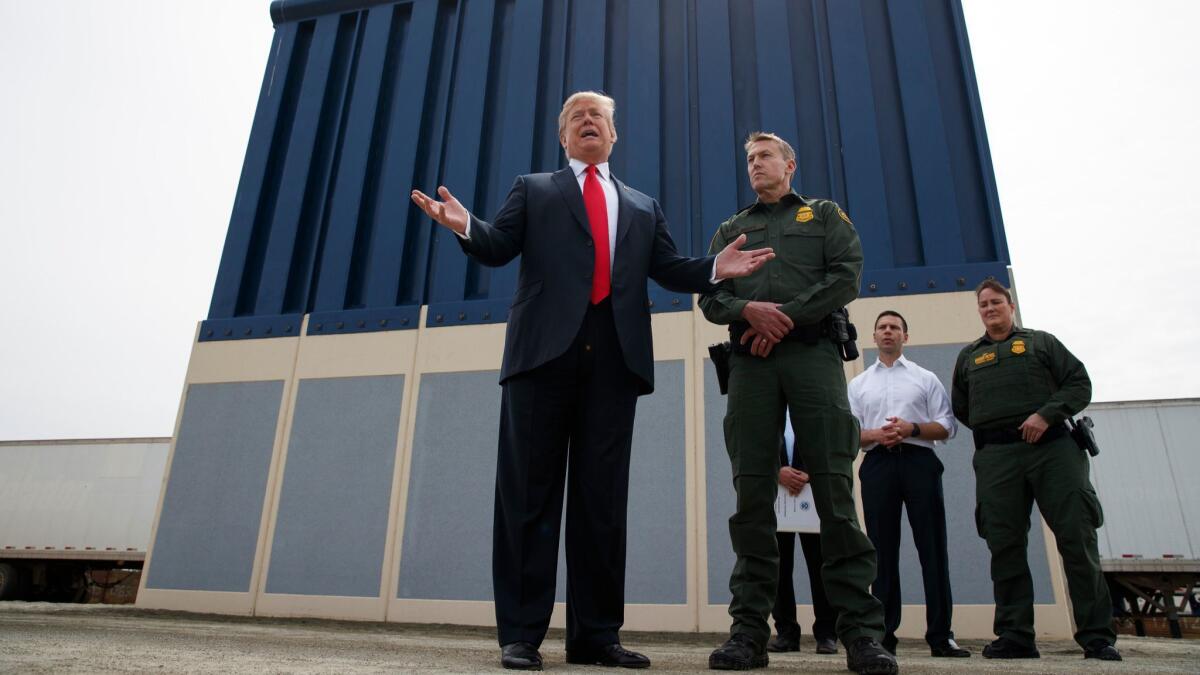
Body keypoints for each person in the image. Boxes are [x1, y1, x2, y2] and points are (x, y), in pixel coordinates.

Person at [411, 92, 773, 671]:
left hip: (613, 361)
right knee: (528, 497)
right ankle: (522, 635)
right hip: (541, 361)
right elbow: (499, 247)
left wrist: (713, 270)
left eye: (597, 117)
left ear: (613, 136)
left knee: (601, 503)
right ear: (563, 136)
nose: (587, 122)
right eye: (576, 116)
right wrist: (466, 227)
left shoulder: (641, 204)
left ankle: (596, 635)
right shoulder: (534, 189)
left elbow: (668, 268)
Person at [698, 132, 896, 675]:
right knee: (752, 493)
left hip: (812, 357)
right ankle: (748, 634)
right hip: (751, 364)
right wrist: (748, 311)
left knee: (834, 488)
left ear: (789, 164)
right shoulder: (730, 230)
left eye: (764, 156)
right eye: (748, 159)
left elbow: (845, 276)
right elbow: (709, 295)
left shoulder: (825, 215)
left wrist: (781, 318)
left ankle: (860, 634)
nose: (755, 165)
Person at [951, 279, 1121, 661]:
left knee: (1077, 539)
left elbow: (1079, 384)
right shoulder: (968, 357)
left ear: (1010, 306)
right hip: (997, 458)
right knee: (1004, 545)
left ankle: (1097, 637)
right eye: (983, 304)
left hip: (1053, 451)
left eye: (996, 302)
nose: (990, 308)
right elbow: (963, 408)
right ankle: (1015, 636)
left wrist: (1046, 415)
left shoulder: (1042, 343)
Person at [848, 311, 970, 658]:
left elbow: (947, 426)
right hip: (878, 464)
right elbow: (851, 434)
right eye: (883, 327)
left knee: (932, 548)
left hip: (919, 462)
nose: (888, 332)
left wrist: (911, 429)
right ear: (874, 336)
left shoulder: (925, 378)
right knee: (881, 552)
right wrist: (877, 434)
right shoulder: (858, 384)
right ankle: (883, 636)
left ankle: (941, 635)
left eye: (895, 328)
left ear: (905, 336)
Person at [768, 413, 839, 656]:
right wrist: (776, 470)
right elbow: (753, 443)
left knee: (820, 562)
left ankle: (827, 634)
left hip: (814, 492)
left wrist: (811, 472)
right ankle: (786, 632)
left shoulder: (810, 400)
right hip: (777, 495)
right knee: (779, 564)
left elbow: (833, 438)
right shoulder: (768, 403)